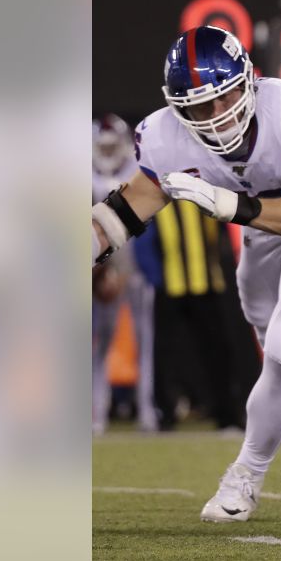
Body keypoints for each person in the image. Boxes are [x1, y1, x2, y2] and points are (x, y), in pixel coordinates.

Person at [90, 25, 281, 522]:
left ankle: (246, 474)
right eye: (196, 108)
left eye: (221, 98)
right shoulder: (164, 135)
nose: (213, 117)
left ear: (249, 80)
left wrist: (230, 205)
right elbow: (123, 214)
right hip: (261, 227)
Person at [92, 115, 157, 434]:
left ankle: (147, 412)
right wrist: (99, 271)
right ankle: (96, 414)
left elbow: (149, 217)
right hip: (106, 270)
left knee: (146, 342)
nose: (107, 151)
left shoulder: (138, 165)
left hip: (137, 269)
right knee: (99, 343)